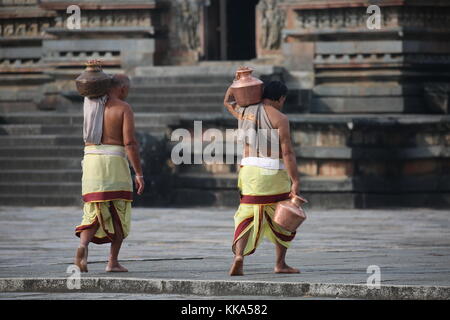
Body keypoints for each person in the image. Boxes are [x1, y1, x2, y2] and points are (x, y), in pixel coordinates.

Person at [223, 80, 302, 276]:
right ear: (281, 98)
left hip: (249, 170)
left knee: (246, 214)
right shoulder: (280, 118)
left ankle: (239, 256)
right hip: (273, 172)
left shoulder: (244, 112)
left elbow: (227, 101)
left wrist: (236, 82)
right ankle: (280, 264)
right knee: (285, 216)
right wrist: (295, 180)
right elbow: (288, 153)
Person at [74, 74, 145, 273]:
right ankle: (112, 262)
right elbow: (130, 143)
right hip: (113, 162)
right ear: (122, 89)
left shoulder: (90, 106)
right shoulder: (123, 108)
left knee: (93, 208)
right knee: (118, 211)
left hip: (91, 161)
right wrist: (138, 173)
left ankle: (82, 248)